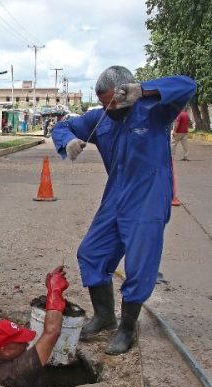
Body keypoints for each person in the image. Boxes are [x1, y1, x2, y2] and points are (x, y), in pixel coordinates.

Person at [51, 66, 196, 355]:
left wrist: (143, 90)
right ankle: (105, 316)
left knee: (139, 266)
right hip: (116, 194)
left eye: (113, 102)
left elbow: (187, 85)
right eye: (103, 103)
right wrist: (67, 142)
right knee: (91, 252)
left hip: (148, 196)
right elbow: (62, 126)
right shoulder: (100, 118)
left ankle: (127, 328)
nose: (108, 109)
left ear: (126, 93)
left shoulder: (154, 111)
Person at [0, 266, 68, 387]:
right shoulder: (15, 373)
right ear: (4, 349)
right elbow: (53, 331)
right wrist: (54, 290)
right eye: (20, 342)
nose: (26, 344)